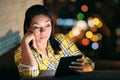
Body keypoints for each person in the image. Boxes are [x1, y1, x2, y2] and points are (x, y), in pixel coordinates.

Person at [14, 4, 95, 78]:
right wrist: (25, 42)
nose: (43, 31)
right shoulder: (21, 52)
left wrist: (84, 68)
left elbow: (89, 63)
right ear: (28, 28)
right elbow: (30, 74)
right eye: (37, 27)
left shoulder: (61, 40)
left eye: (47, 25)